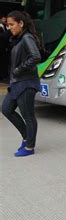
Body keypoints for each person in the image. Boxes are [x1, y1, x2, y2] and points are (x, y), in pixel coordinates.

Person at [1, 11, 41, 157]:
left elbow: (36, 56)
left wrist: (19, 69)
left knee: (28, 116)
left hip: (26, 82)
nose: (9, 27)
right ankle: (27, 137)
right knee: (6, 109)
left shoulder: (27, 38)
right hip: (17, 82)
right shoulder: (18, 39)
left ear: (21, 23)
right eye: (8, 25)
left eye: (12, 24)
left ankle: (30, 147)